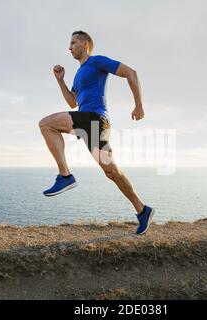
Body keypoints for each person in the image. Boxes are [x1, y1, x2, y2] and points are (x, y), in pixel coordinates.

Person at [38, 30, 154, 235]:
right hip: (88, 125)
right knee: (112, 172)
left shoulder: (97, 61)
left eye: (73, 42)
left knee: (46, 125)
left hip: (95, 118)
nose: (69, 47)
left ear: (85, 45)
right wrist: (60, 80)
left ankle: (65, 175)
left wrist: (138, 105)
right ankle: (143, 210)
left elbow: (131, 73)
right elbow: (72, 102)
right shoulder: (78, 74)